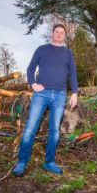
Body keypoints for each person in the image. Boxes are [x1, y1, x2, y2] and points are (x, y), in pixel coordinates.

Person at [12, 24, 78, 177]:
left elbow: (73, 74)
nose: (59, 34)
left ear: (64, 36)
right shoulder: (41, 49)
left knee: (54, 130)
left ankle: (49, 162)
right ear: (52, 34)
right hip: (41, 94)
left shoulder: (68, 53)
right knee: (30, 127)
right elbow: (30, 69)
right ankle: (22, 161)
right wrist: (33, 83)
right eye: (57, 32)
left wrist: (74, 93)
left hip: (60, 95)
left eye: (62, 33)